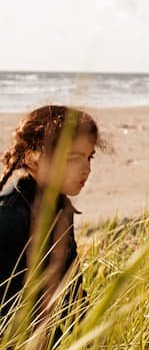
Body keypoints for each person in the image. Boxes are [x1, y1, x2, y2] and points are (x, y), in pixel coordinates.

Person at [0, 105, 98, 331]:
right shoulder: (10, 216)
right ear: (34, 158)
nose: (86, 169)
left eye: (89, 158)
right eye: (73, 159)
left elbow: (71, 291)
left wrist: (91, 344)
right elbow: (8, 310)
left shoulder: (59, 207)